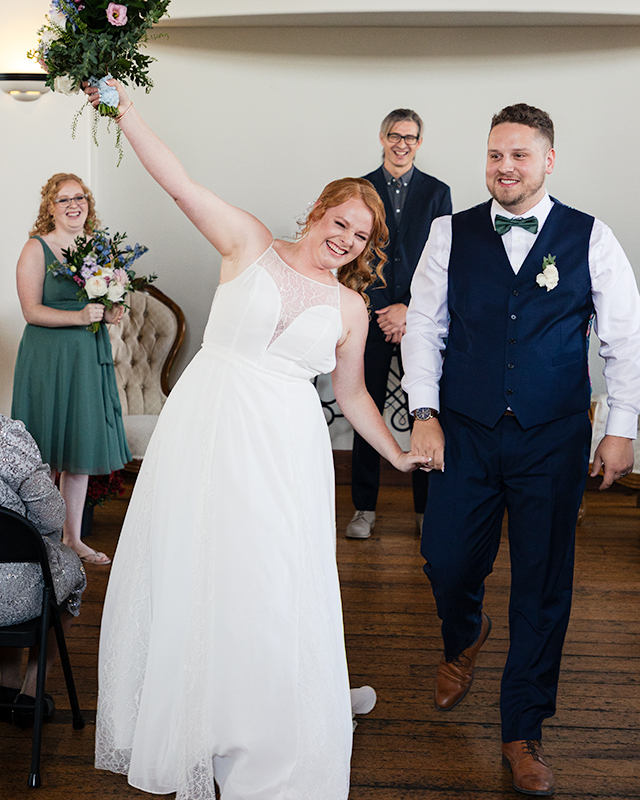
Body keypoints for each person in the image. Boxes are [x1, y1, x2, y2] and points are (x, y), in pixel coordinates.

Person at [84, 80, 428, 800]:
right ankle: (201, 719)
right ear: (318, 212)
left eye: (360, 236)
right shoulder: (247, 243)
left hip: (283, 449)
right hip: (206, 429)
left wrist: (397, 453)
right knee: (201, 566)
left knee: (273, 580)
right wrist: (124, 109)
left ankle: (283, 715)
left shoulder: (349, 306)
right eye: (340, 222)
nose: (345, 239)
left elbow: (355, 394)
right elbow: (178, 184)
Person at [401, 103, 640, 796]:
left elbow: (623, 339)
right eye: (495, 155)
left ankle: (522, 729)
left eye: (520, 156)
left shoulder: (591, 237)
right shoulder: (451, 233)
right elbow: (423, 327)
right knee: (444, 561)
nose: (505, 168)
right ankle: (464, 633)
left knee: (543, 586)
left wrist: (619, 429)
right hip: (465, 431)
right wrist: (424, 413)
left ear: (548, 161)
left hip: (553, 437)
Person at [11, 173, 131, 566]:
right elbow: (31, 310)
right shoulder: (36, 249)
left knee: (79, 450)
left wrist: (113, 309)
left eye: (79, 197)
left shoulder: (98, 247)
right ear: (51, 207)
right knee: (46, 454)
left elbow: (108, 302)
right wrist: (80, 315)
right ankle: (42, 541)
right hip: (47, 360)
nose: (73, 205)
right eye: (64, 200)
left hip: (86, 359)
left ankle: (73, 539)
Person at [347, 109, 452, 539]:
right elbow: (354, 252)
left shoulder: (438, 192)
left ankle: (427, 510)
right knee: (364, 406)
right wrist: (381, 309)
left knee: (421, 409)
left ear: (420, 142)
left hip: (419, 318)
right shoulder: (360, 188)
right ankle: (363, 509)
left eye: (410, 137)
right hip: (370, 316)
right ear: (382, 137)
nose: (402, 143)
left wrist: (408, 308)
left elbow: (441, 259)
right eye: (395, 135)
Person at [0, 413, 86, 727]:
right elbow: (51, 515)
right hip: (14, 591)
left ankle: (5, 687)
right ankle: (30, 696)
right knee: (68, 571)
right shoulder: (7, 437)